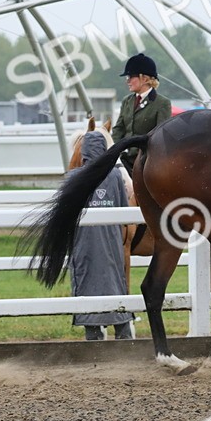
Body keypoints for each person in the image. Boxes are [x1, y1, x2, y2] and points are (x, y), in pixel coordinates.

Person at [68, 131, 134, 341]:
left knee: (86, 284)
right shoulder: (115, 176)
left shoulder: (72, 177)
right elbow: (125, 212)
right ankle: (123, 334)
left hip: (83, 245)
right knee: (117, 282)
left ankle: (93, 337)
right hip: (112, 243)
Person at [111, 53, 172, 172]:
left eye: (130, 77)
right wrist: (116, 151)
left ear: (144, 78)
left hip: (146, 162)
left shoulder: (162, 103)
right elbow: (118, 129)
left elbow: (160, 137)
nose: (127, 81)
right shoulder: (127, 101)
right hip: (124, 160)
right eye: (127, 78)